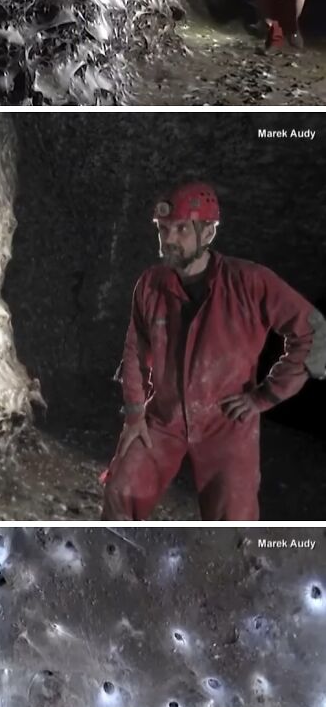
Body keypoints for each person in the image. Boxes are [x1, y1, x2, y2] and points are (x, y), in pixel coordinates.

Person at [101, 182, 326, 520]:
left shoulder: (249, 282)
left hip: (227, 422)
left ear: (207, 233)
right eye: (163, 229)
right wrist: (134, 416)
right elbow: (135, 350)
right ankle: (114, 565)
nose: (169, 239)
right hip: (165, 417)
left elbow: (313, 329)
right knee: (121, 490)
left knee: (233, 522)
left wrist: (264, 397)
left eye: (180, 229)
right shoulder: (151, 284)